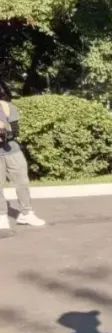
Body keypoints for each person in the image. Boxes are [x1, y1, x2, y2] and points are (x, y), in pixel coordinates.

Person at [0, 84, 46, 233]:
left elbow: (15, 131)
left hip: (12, 151)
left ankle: (26, 214)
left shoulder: (8, 107)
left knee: (22, 182)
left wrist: (4, 132)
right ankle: (1, 216)